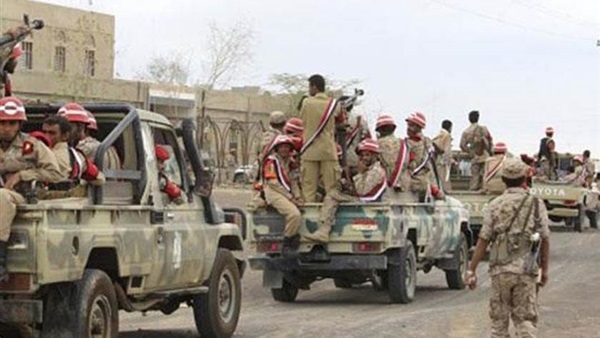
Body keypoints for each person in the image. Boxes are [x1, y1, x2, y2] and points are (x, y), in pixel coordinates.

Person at [465, 158, 550, 338]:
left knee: (498, 323)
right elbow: (545, 238)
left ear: (503, 179)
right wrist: (545, 270)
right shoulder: (536, 204)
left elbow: (483, 239)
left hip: (500, 270)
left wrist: (471, 271)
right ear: (525, 179)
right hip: (527, 270)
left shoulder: (494, 204)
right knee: (525, 320)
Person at [0, 96, 60, 282]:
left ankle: (0, 258)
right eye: (2, 123)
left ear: (19, 124)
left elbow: (54, 173)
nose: (6, 128)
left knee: (1, 197)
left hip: (20, 195)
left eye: (11, 123)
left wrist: (22, 175)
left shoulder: (31, 145)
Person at [304, 138, 387, 243]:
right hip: (365, 200)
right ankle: (323, 230)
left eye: (367, 155)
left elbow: (362, 191)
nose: (364, 158)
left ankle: (323, 230)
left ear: (375, 156)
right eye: (362, 155)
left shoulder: (376, 171)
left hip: (368, 203)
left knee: (332, 195)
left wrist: (360, 173)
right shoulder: (370, 169)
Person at [299, 74, 344, 202]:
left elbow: (302, 119)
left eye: (310, 87)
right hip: (328, 151)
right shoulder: (334, 104)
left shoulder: (306, 103)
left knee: (308, 189)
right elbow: (341, 121)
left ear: (314, 87)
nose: (309, 90)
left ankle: (309, 217)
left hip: (309, 150)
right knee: (331, 188)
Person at [41, 115, 105, 197]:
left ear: (65, 136)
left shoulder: (75, 156)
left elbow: (98, 178)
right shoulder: (77, 156)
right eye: (44, 132)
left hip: (57, 203)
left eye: (52, 133)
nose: (46, 136)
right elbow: (99, 178)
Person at [262, 135, 303, 256]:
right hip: (274, 192)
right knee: (294, 214)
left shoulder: (290, 163)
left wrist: (298, 197)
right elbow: (273, 183)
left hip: (286, 192)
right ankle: (288, 244)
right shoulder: (271, 161)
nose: (284, 150)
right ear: (277, 149)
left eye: (287, 147)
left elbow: (294, 181)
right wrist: (290, 198)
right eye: (282, 147)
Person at [58, 103, 121, 170]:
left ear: (80, 127)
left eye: (66, 127)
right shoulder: (105, 148)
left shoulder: (86, 148)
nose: (62, 131)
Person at [405, 112, 442, 200]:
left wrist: (434, 189)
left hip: (421, 185)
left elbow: (427, 168)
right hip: (420, 185)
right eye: (408, 125)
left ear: (419, 127)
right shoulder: (406, 142)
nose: (408, 128)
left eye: (411, 125)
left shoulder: (422, 143)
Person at [376, 115, 411, 202]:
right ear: (393, 129)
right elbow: (410, 164)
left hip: (385, 187)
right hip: (405, 187)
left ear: (380, 130)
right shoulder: (405, 144)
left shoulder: (376, 145)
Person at [460, 110, 493, 191]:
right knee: (485, 174)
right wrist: (490, 152)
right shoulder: (483, 129)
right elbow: (490, 140)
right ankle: (485, 189)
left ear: (469, 119)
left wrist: (470, 152)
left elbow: (462, 145)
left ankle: (473, 191)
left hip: (475, 155)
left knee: (475, 175)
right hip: (485, 155)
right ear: (478, 118)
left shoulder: (466, 131)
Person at [432, 119, 453, 192]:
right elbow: (435, 144)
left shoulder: (440, 133)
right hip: (442, 161)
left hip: (441, 160)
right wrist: (441, 151)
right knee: (443, 178)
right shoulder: (445, 134)